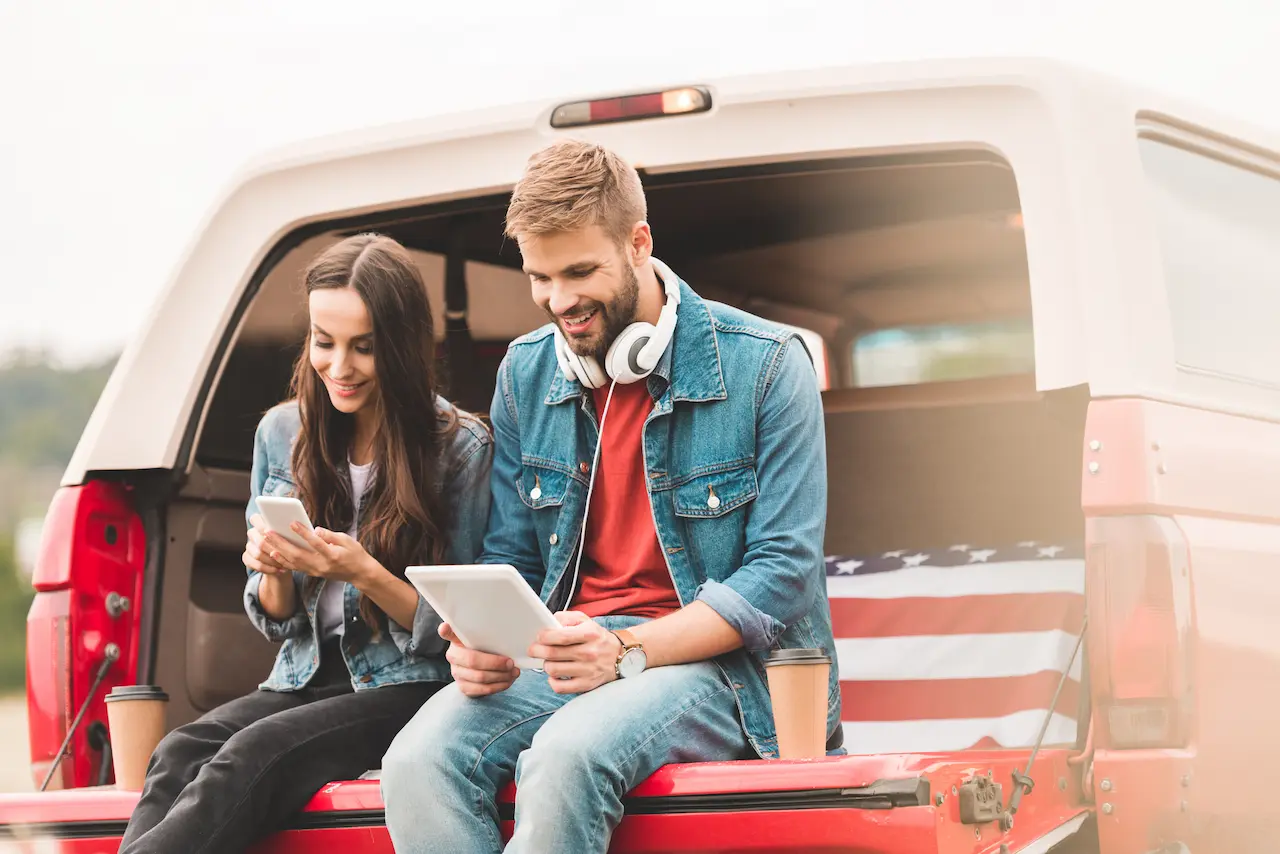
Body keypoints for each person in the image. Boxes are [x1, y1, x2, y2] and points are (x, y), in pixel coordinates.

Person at [380, 139, 842, 853]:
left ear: (638, 243)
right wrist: (486, 644)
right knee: (415, 761)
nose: (559, 301)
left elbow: (780, 577)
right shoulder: (525, 373)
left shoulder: (769, 362)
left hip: (721, 671)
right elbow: (512, 555)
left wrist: (624, 647)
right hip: (567, 656)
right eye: (540, 277)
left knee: (564, 759)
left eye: (579, 272)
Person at [118, 233, 493, 854]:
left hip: (412, 685)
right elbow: (277, 619)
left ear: (399, 349)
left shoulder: (458, 448)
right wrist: (270, 570)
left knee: (254, 752)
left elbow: (470, 628)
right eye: (324, 342)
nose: (338, 367)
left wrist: (367, 573)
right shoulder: (282, 430)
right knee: (179, 749)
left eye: (363, 348)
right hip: (304, 677)